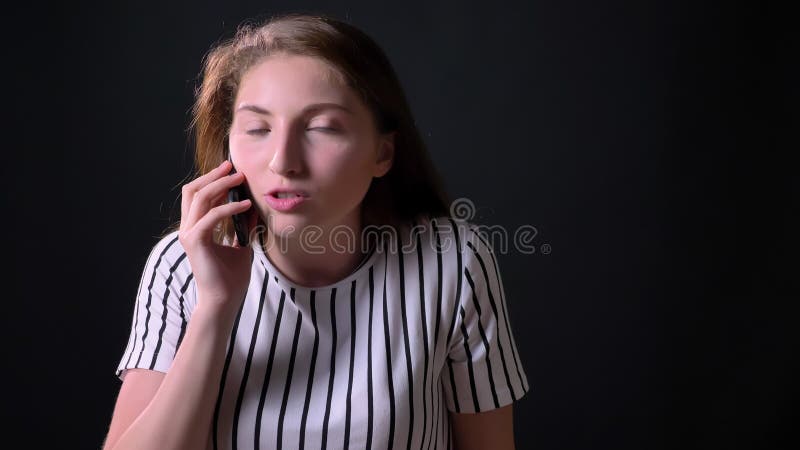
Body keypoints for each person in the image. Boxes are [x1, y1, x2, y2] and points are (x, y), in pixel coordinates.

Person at [103, 12, 529, 450]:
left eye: (321, 127)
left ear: (383, 153)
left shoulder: (452, 263)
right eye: (257, 129)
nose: (283, 161)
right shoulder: (181, 265)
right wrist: (215, 306)